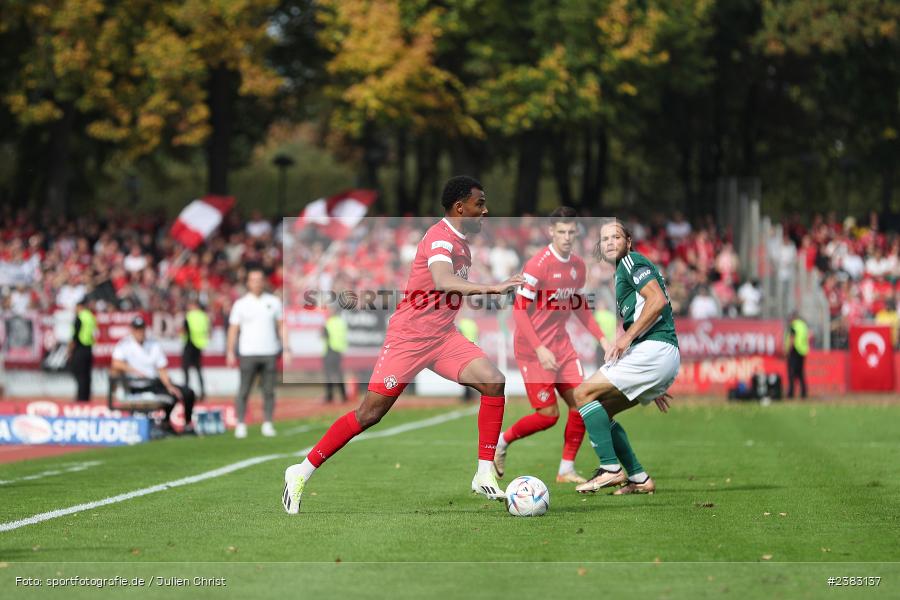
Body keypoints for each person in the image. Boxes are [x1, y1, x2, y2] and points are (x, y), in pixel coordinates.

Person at [282, 175, 525, 514]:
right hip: (409, 338)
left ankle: (484, 472)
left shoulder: (462, 243)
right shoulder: (440, 238)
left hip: (442, 336)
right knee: (369, 414)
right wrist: (493, 288)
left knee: (494, 381)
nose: (486, 211)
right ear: (460, 207)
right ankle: (301, 470)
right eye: (479, 204)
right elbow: (442, 280)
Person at [493, 207, 610, 484]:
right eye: (562, 232)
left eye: (571, 231)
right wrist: (539, 349)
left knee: (584, 402)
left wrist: (602, 338)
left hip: (561, 345)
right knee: (548, 416)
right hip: (532, 350)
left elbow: (579, 305)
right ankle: (501, 442)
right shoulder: (538, 265)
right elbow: (519, 311)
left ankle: (566, 469)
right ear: (551, 232)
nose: (567, 237)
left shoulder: (578, 266)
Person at [572, 219, 681, 495]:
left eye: (616, 237)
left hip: (654, 351)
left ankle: (610, 469)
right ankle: (639, 478)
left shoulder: (631, 261)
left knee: (583, 394)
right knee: (601, 411)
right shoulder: (623, 269)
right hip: (657, 355)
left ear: (628, 242)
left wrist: (625, 339)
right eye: (605, 239)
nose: (610, 242)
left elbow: (657, 301)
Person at [227, 266, 288, 439]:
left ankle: (267, 423)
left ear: (264, 282)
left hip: (269, 352)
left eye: (259, 280)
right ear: (248, 282)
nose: (256, 283)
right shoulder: (241, 304)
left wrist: (287, 347)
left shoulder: (274, 302)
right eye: (253, 280)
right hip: (248, 352)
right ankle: (240, 423)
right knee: (244, 390)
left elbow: (281, 325)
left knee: (269, 390)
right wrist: (230, 351)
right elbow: (233, 329)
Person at [111, 316, 196, 435]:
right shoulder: (124, 344)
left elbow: (162, 368)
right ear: (132, 330)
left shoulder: (153, 344)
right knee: (170, 397)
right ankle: (165, 423)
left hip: (155, 381)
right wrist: (134, 371)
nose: (139, 332)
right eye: (137, 329)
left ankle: (187, 425)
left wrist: (169, 385)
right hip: (137, 384)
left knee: (187, 392)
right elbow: (116, 363)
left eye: (141, 329)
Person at [67, 297, 96, 402]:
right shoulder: (90, 316)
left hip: (80, 349)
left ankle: (81, 398)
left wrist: (70, 351)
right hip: (89, 349)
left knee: (80, 376)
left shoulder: (79, 317)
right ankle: (87, 397)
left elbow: (75, 336)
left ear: (80, 307)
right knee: (87, 375)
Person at [182, 298, 210, 401]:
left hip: (189, 345)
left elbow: (185, 330)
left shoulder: (189, 316)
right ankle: (203, 393)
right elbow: (207, 330)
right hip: (199, 345)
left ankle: (186, 393)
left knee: (186, 370)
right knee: (198, 370)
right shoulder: (204, 316)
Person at [322, 305, 348, 404]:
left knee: (329, 374)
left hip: (330, 350)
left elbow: (325, 335)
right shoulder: (342, 322)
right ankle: (343, 395)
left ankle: (329, 396)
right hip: (339, 350)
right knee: (338, 374)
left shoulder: (329, 322)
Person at [785, 312, 809, 398]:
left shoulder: (794, 325)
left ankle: (791, 393)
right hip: (802, 351)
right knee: (800, 373)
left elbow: (792, 338)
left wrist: (787, 350)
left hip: (794, 351)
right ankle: (804, 393)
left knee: (791, 373)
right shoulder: (803, 325)